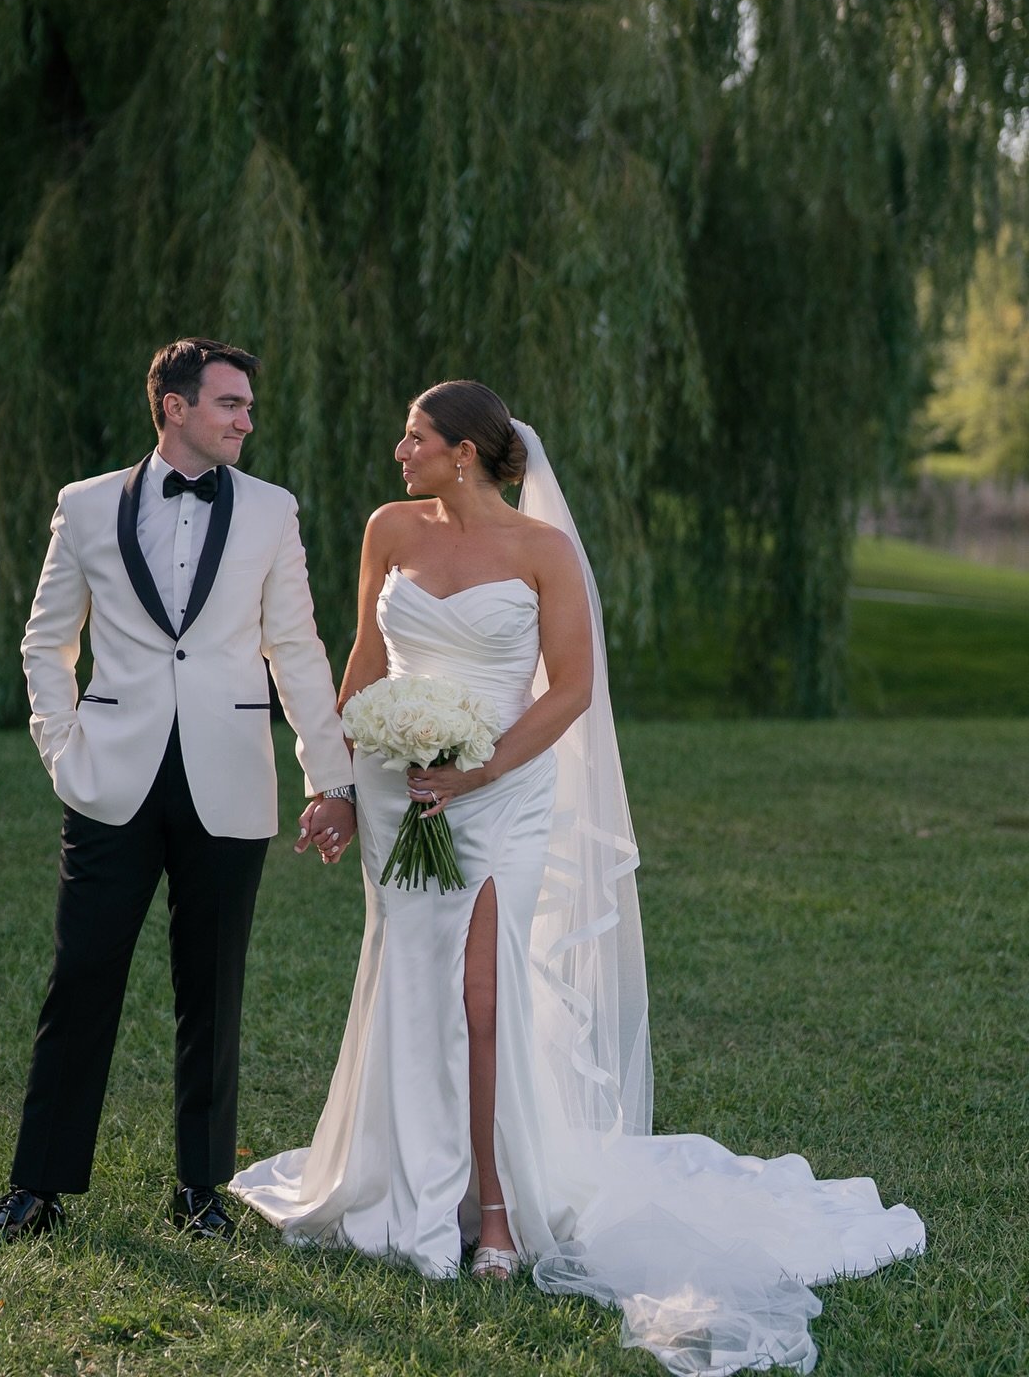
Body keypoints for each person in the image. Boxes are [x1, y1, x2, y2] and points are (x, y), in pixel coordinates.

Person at [231, 380, 924, 1375]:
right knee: (411, 981)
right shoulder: (388, 529)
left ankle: (499, 1216)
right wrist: (335, 786)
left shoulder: (543, 553)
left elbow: (573, 694)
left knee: (483, 993)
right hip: (398, 789)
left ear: (466, 452)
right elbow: (365, 659)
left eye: (417, 437)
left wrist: (478, 766)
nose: (400, 449)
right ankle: (415, 1192)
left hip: (501, 788)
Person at [0, 338, 356, 1247]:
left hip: (229, 779)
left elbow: (296, 648)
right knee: (81, 978)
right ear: (174, 407)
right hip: (111, 780)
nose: (247, 421)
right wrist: (63, 750)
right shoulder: (86, 506)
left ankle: (199, 1191)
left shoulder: (270, 511)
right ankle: (36, 1192)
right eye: (229, 405)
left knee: (213, 989)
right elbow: (45, 641)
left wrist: (329, 776)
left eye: (249, 406)